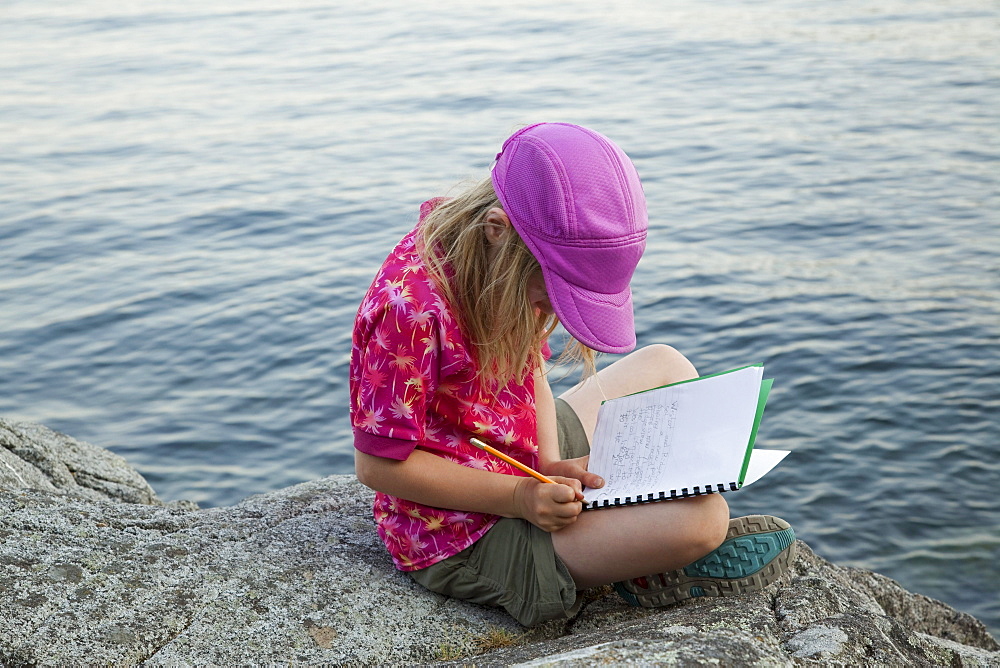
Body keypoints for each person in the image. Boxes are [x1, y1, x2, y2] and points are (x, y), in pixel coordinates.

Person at [350, 122, 795, 627]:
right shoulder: (409, 309)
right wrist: (521, 495)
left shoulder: (494, 255)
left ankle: (629, 542)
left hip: (513, 444)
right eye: (555, 296)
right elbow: (378, 468)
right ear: (497, 229)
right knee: (704, 520)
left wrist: (548, 461)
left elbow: (529, 363)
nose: (555, 314)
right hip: (462, 526)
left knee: (666, 364)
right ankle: (642, 568)